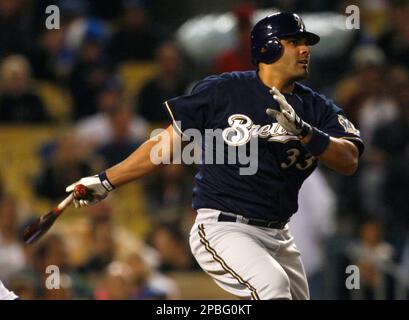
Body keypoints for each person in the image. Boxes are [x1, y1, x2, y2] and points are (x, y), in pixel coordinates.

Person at [65, 12, 364, 300]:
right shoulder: (225, 90)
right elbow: (163, 146)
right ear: (268, 47)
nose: (305, 49)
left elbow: (349, 160)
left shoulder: (317, 108)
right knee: (273, 288)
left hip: (279, 234)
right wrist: (105, 181)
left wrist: (306, 132)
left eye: (305, 43)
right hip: (225, 226)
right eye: (294, 42)